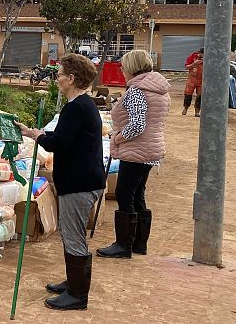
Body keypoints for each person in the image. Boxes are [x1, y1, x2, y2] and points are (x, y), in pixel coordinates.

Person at [16, 54, 106, 311]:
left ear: (72, 78)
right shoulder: (81, 105)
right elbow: (65, 137)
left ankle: (78, 295)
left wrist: (38, 136)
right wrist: (36, 133)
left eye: (60, 73)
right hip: (83, 179)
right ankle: (73, 282)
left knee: (73, 235)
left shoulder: (76, 107)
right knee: (70, 234)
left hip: (80, 182)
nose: (57, 78)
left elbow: (60, 143)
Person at [97, 50, 169, 259]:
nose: (121, 69)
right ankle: (138, 243)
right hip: (151, 148)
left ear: (132, 67)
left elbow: (137, 125)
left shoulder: (138, 90)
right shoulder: (158, 90)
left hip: (137, 150)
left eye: (123, 66)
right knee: (138, 194)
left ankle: (123, 245)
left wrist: (118, 137)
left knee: (124, 193)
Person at [183, 48, 204, 116]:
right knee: (188, 94)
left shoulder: (208, 59)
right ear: (199, 53)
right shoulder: (193, 56)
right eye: (202, 54)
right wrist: (194, 64)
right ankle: (185, 108)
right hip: (192, 78)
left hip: (202, 79)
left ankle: (197, 111)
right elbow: (186, 67)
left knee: (200, 96)